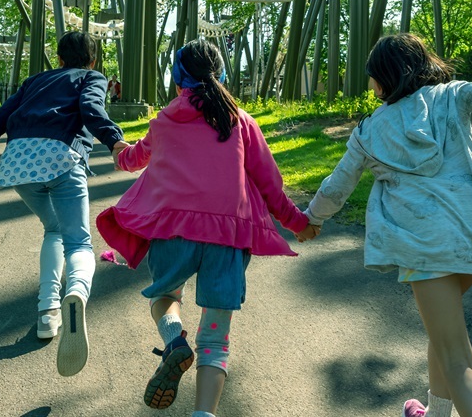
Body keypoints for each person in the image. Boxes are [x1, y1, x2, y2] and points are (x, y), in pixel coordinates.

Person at [301, 34, 472, 417]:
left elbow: (337, 186)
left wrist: (311, 220)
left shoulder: (369, 130)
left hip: (423, 246)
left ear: (382, 78)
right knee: (446, 338)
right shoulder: (451, 96)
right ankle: (436, 412)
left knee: (460, 365)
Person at [97, 39, 313, 417]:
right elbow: (269, 184)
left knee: (165, 296)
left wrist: (118, 150)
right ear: (222, 75)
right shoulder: (241, 120)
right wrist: (298, 224)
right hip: (228, 238)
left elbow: (133, 160)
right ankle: (204, 414)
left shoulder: (164, 120)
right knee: (216, 340)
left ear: (178, 81)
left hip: (173, 231)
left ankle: (173, 340)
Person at [0, 31, 126, 377]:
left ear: (58, 59)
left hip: (17, 164)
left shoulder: (34, 81)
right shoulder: (92, 77)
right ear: (93, 61)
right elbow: (90, 109)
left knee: (53, 229)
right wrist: (114, 140)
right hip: (61, 156)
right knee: (78, 240)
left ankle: (47, 314)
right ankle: (76, 294)